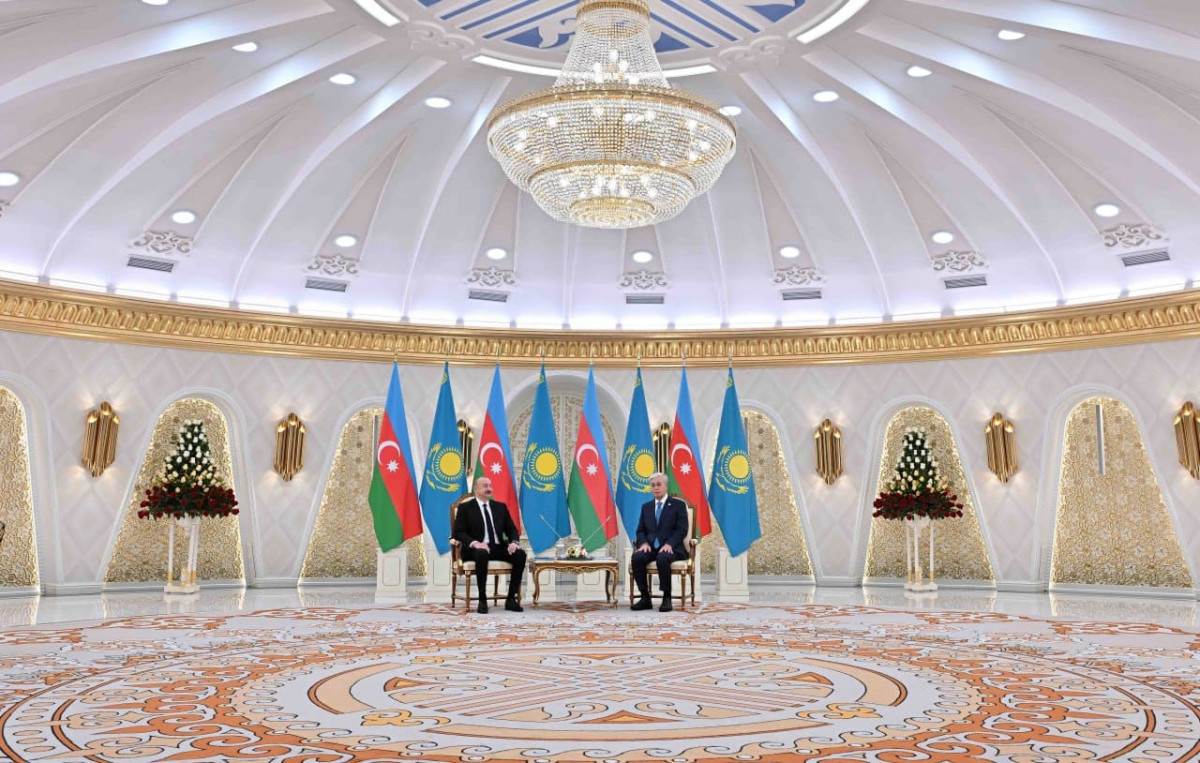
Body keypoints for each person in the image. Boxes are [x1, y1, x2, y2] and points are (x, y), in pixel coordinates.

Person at [454, 476, 526, 613]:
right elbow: (458, 532)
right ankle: (482, 600)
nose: (489, 489)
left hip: (497, 547)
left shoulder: (500, 507)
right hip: (476, 549)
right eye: (485, 486)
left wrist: (514, 542)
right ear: (476, 489)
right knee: (482, 554)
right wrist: (475, 543)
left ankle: (511, 599)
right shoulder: (465, 508)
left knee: (520, 554)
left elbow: (512, 529)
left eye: (490, 486)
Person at [631, 472, 689, 612]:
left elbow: (682, 529)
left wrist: (670, 544)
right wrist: (643, 543)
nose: (655, 488)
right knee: (637, 557)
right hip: (651, 547)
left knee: (662, 558)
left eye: (658, 484)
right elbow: (640, 530)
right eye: (653, 485)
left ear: (666, 486)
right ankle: (645, 598)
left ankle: (666, 598)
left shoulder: (678, 505)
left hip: (672, 548)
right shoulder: (646, 507)